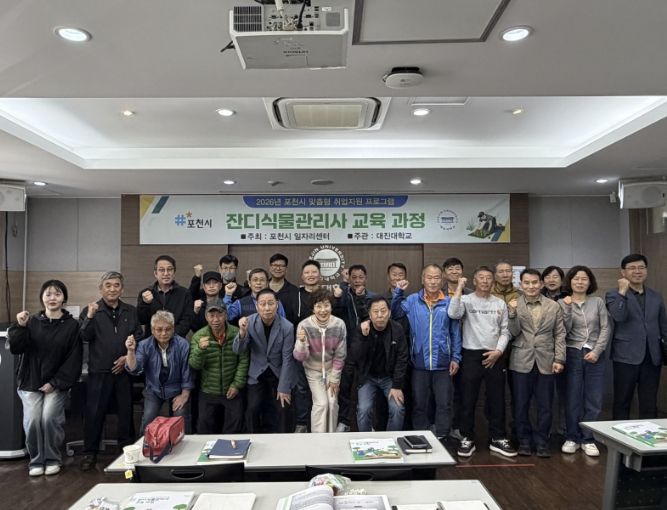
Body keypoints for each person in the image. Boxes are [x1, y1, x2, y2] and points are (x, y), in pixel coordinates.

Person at [8, 279, 82, 476]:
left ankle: (52, 459)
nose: (52, 298)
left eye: (57, 294)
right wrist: (19, 326)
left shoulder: (72, 326)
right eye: (48, 294)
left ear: (64, 298)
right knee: (32, 421)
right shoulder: (31, 322)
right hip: (30, 381)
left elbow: (73, 359)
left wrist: (55, 383)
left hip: (56, 383)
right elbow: (16, 348)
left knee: (49, 418)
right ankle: (36, 461)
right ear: (42, 298)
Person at [448, 267, 516, 458]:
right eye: (481, 278)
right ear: (474, 281)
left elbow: (505, 331)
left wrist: (498, 351)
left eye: (488, 278)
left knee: (497, 398)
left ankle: (498, 437)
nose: (485, 281)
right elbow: (453, 313)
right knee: (467, 399)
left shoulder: (499, 303)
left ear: (492, 281)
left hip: (495, 355)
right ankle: (467, 437)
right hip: (471, 355)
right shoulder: (466, 300)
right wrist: (459, 287)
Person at [79, 271, 143, 471]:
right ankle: (90, 453)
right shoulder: (91, 310)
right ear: (101, 289)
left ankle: (127, 454)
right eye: (108, 285)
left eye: (116, 285)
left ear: (122, 289)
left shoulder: (130, 311)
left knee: (126, 413)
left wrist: (126, 357)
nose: (112, 289)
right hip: (99, 371)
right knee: (94, 413)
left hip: (124, 371)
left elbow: (139, 336)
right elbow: (84, 336)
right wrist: (90, 316)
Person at [391, 264, 462, 441]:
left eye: (436, 277)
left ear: (442, 280)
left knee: (444, 404)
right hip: (419, 362)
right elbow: (396, 313)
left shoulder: (448, 302)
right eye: (429, 277)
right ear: (423, 279)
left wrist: (456, 357)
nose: (433, 281)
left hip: (443, 363)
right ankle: (420, 436)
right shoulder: (413, 300)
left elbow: (455, 332)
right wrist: (398, 292)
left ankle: (442, 436)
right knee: (419, 403)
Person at [508, 269, 566, 457]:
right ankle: (523, 441)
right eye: (526, 283)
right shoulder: (514, 304)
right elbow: (513, 332)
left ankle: (542, 441)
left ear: (541, 284)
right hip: (521, 359)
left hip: (546, 360)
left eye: (534, 282)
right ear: (520, 285)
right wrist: (512, 313)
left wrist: (559, 358)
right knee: (520, 404)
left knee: (545, 405)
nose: (531, 286)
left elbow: (560, 334)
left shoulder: (553, 306)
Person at [606, 253, 667, 420]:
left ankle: (649, 435)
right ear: (623, 272)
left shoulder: (656, 296)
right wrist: (622, 292)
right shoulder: (613, 295)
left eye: (641, 267)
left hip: (652, 356)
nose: (637, 271)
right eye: (632, 268)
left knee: (649, 402)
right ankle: (619, 435)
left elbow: (663, 325)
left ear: (646, 270)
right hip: (625, 356)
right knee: (622, 401)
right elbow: (618, 316)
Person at [558, 266, 609, 457]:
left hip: (595, 354)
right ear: (570, 282)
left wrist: (597, 351)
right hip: (572, 353)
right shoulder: (562, 303)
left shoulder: (597, 302)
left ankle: (588, 439)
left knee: (593, 399)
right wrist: (568, 308)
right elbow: (564, 330)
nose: (580, 282)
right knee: (573, 398)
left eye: (584, 279)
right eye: (576, 279)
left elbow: (605, 328)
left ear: (590, 282)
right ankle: (572, 437)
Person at [234, 289, 296, 433]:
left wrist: (284, 387)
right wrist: (242, 332)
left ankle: (283, 441)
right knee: (252, 409)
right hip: (257, 374)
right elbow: (238, 350)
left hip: (278, 373)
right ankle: (253, 439)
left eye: (270, 303)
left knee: (283, 408)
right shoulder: (249, 322)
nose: (267, 308)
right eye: (262, 304)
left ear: (277, 305)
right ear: (257, 306)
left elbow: (287, 359)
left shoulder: (287, 327)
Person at [125, 310, 194, 434]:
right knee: (148, 418)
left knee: (181, 418)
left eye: (168, 329)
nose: (163, 333)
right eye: (159, 329)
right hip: (154, 388)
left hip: (177, 388)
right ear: (152, 330)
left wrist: (184, 395)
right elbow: (135, 369)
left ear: (173, 329)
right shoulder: (144, 345)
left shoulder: (183, 344)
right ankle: (144, 444)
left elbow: (187, 372)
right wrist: (130, 351)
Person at [346, 296, 408, 432]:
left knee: (397, 408)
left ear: (389, 313)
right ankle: (366, 440)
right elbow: (355, 356)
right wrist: (363, 336)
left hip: (389, 377)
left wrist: (397, 385)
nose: (380, 315)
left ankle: (392, 439)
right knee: (363, 409)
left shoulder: (397, 329)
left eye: (383, 311)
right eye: (375, 312)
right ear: (370, 314)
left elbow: (402, 358)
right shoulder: (362, 329)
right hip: (368, 377)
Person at [188, 298, 248, 433]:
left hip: (231, 389)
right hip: (208, 390)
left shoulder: (236, 333)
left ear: (225, 315)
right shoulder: (199, 336)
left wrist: (236, 385)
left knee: (236, 423)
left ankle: (230, 446)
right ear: (206, 317)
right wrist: (200, 350)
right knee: (204, 424)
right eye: (211, 315)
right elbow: (194, 365)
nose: (215, 319)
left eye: (219, 315)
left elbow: (244, 360)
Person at [293, 289, 347, 433]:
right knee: (321, 404)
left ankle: (331, 436)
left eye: (326, 305)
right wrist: (301, 342)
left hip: (331, 369)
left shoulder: (339, 324)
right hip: (313, 369)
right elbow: (300, 357)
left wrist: (335, 378)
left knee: (332, 402)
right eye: (318, 306)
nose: (323, 310)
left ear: (331, 306)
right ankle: (318, 438)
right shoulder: (304, 325)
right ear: (313, 308)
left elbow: (340, 355)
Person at [333, 263, 377, 432]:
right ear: (349, 279)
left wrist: (361, 298)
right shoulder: (343, 294)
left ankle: (369, 423)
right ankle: (344, 421)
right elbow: (336, 311)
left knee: (367, 388)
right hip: (346, 348)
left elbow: (370, 318)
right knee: (345, 388)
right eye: (354, 277)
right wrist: (343, 286)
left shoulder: (373, 297)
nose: (357, 280)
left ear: (366, 278)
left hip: (368, 350)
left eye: (360, 277)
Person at [290, 259, 324, 432]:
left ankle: (322, 424)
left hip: (323, 351)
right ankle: (302, 423)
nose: (311, 275)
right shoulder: (294, 295)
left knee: (323, 389)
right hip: (301, 349)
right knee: (302, 388)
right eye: (307, 272)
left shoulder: (326, 295)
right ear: (302, 276)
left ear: (320, 275)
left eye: (314, 272)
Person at [137, 255, 194, 338]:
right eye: (161, 270)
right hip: (151, 341)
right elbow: (141, 320)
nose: (166, 273)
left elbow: (187, 321)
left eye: (169, 269)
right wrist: (145, 303)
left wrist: (169, 337)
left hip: (176, 340)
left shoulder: (185, 293)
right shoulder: (145, 293)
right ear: (155, 273)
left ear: (174, 272)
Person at [268, 253, 299, 324]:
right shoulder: (263, 288)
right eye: (275, 265)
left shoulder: (294, 291)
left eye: (281, 266)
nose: (278, 268)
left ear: (286, 269)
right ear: (270, 268)